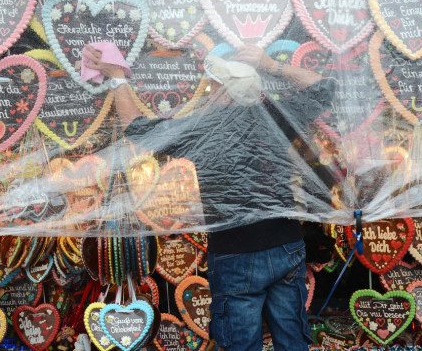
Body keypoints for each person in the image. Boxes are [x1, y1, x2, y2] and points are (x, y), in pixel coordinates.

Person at [83, 43, 335, 351]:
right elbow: (324, 87)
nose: (206, 91)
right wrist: (272, 64)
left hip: (236, 256)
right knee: (293, 341)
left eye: (212, 86)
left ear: (226, 95)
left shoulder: (203, 128)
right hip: (287, 247)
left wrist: (116, 79)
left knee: (241, 344)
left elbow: (139, 130)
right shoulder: (275, 117)